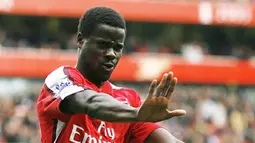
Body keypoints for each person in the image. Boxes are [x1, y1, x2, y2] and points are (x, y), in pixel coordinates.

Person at [36, 7, 186, 143]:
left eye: (117, 48)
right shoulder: (60, 79)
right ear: (81, 41)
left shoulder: (128, 100)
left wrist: (136, 113)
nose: (111, 54)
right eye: (103, 45)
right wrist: (136, 114)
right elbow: (91, 102)